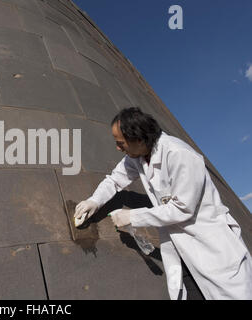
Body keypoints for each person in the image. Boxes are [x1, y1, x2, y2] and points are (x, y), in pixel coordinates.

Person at [74, 107, 252, 300]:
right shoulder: (138, 157)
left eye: (121, 143)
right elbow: (115, 180)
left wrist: (132, 216)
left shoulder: (180, 154)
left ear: (139, 139)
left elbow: (182, 208)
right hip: (181, 251)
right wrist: (94, 200)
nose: (118, 148)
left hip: (211, 247)